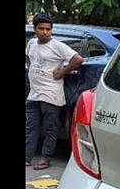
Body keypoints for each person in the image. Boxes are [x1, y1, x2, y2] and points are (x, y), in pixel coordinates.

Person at [25, 14, 84, 170]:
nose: (45, 32)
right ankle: (27, 157)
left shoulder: (58, 46)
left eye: (48, 29)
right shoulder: (31, 43)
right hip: (34, 93)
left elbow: (78, 59)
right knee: (31, 127)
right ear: (35, 29)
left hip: (51, 93)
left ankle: (45, 159)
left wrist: (62, 71)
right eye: (41, 29)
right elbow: (28, 57)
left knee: (51, 128)